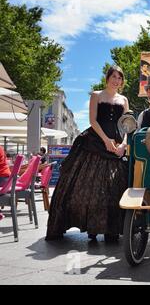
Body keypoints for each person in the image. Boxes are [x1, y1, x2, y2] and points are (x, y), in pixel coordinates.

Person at [46, 65, 129, 242]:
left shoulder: (124, 100)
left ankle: (111, 230)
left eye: (119, 78)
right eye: (113, 76)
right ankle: (91, 227)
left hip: (117, 145)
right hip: (94, 143)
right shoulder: (96, 95)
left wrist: (123, 144)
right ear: (107, 78)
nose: (116, 80)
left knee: (115, 189)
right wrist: (106, 141)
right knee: (86, 188)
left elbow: (127, 126)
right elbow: (93, 120)